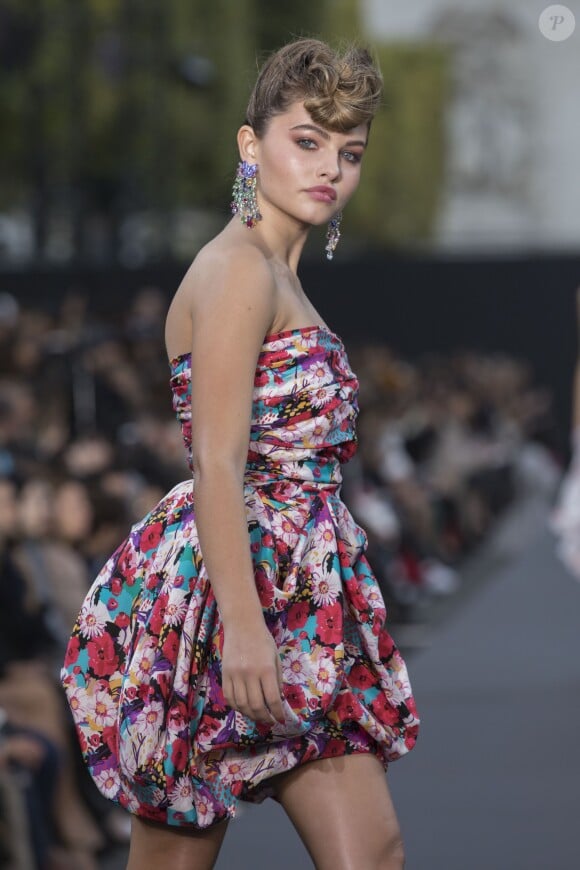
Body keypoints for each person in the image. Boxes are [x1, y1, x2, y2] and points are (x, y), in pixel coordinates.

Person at [61, 38, 420, 869]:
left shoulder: (274, 271)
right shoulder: (238, 271)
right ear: (249, 144)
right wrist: (245, 626)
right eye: (308, 140)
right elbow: (217, 462)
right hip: (231, 593)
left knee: (371, 852)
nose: (331, 166)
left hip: (298, 583)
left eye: (349, 151)